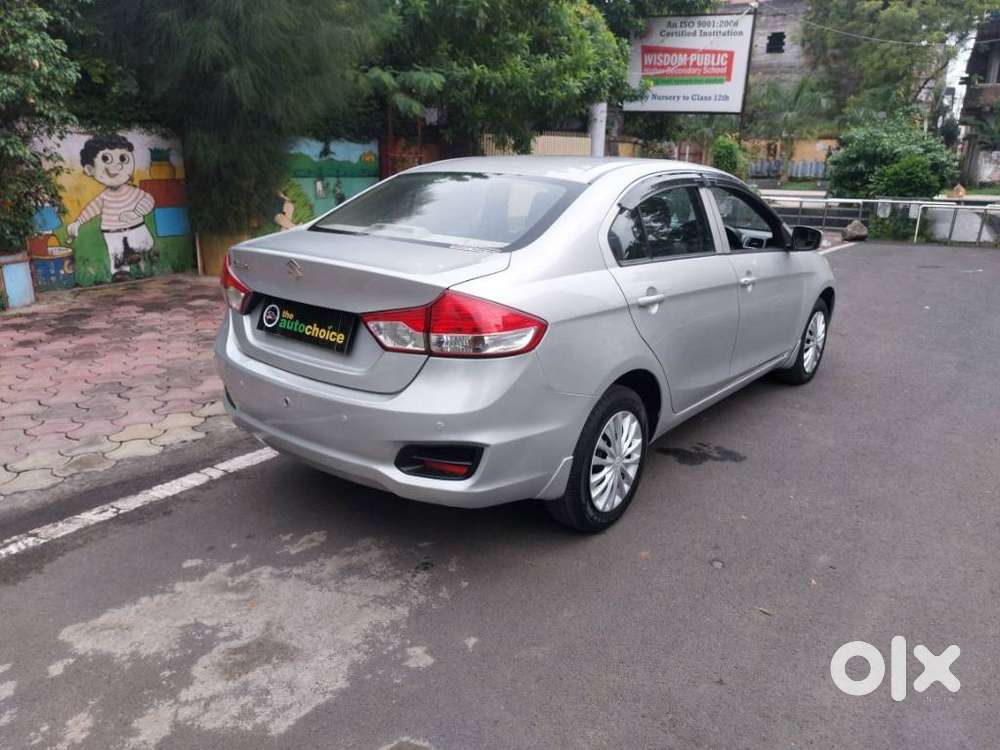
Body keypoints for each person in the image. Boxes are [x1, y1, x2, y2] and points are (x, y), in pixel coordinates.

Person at [67, 134, 155, 281]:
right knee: (116, 254)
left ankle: (133, 254)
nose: (117, 166)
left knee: (145, 243)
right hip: (111, 231)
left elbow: (149, 200)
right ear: (90, 170)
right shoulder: (104, 197)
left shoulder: (133, 192)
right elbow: (92, 209)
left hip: (135, 226)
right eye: (106, 159)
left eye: (123, 159)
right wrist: (78, 222)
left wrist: (136, 212)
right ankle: (121, 274)